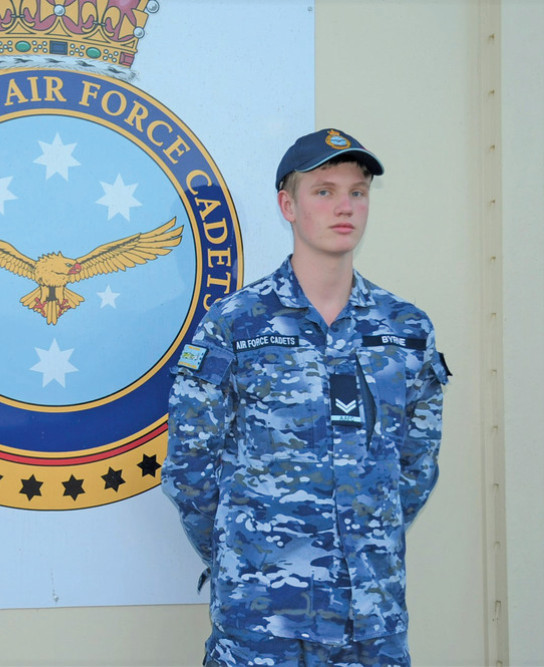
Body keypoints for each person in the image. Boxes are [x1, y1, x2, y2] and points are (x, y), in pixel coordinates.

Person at [161, 128, 450, 666]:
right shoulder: (235, 325)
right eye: (324, 190)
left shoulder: (406, 329)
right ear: (287, 205)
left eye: (357, 192)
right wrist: (245, 553)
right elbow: (190, 471)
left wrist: (360, 539)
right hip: (262, 619)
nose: (345, 206)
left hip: (371, 622)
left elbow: (415, 468)